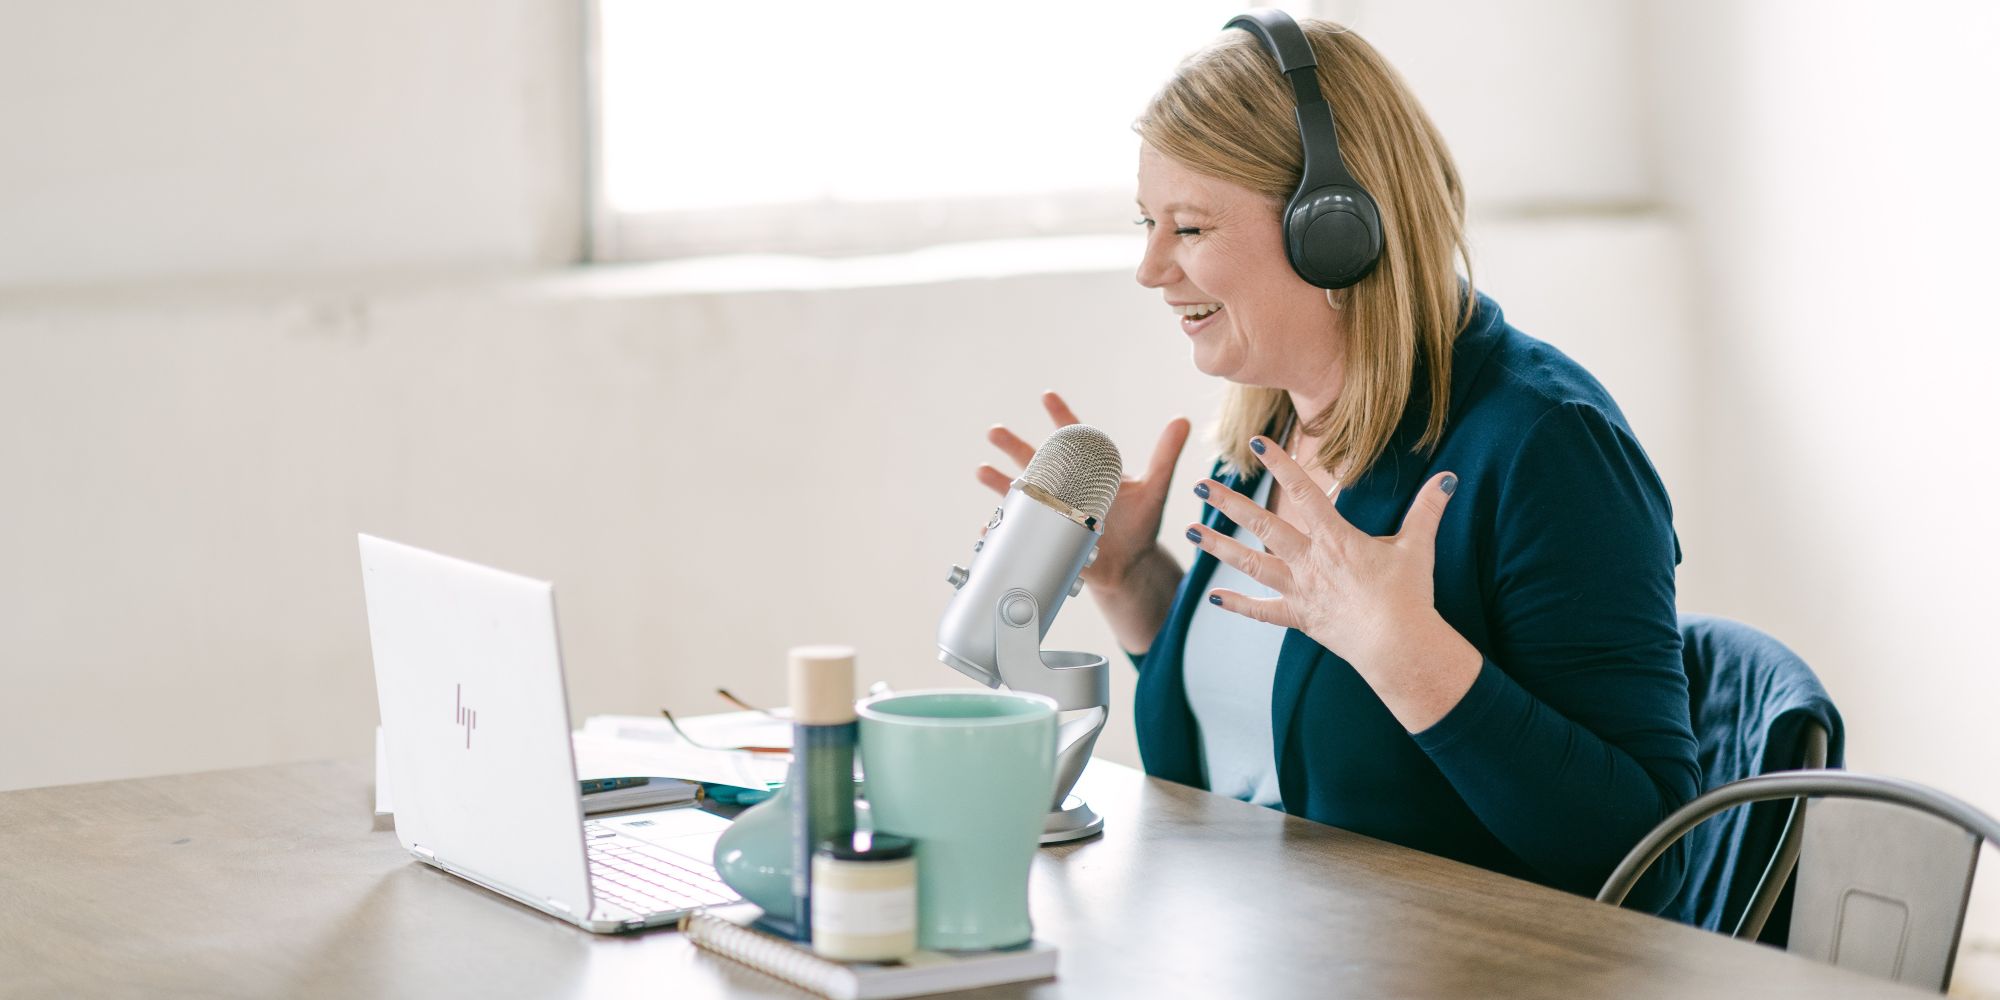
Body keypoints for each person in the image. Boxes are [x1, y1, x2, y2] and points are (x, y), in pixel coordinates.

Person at [977, 14, 1697, 911]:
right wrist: (1130, 580)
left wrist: (1407, 653)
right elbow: (1259, 737)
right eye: (1147, 223)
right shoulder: (1278, 422)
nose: (1151, 267)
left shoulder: (1548, 447)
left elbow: (1650, 858)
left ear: (1335, 231)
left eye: (1190, 228)